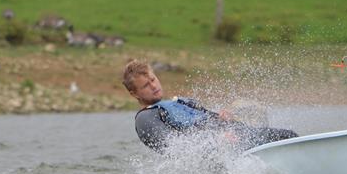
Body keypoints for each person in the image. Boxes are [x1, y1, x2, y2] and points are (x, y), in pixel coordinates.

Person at [123, 59, 298, 152]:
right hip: (224, 151)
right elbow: (173, 148)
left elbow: (209, 119)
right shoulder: (146, 118)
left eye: (153, 80)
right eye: (146, 85)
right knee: (286, 137)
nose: (154, 86)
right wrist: (216, 142)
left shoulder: (180, 102)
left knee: (288, 135)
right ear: (134, 93)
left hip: (238, 135)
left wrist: (221, 116)